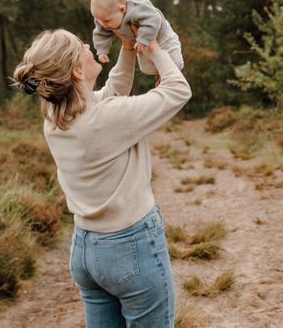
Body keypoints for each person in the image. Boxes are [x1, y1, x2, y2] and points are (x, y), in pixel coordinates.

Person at [11, 27, 191, 327]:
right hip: (130, 247)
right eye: (79, 46)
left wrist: (129, 48)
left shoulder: (55, 119)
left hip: (85, 251)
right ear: (77, 73)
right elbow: (178, 90)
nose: (86, 44)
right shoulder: (107, 118)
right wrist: (155, 48)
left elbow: (110, 93)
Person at [91, 0, 184, 74]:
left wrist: (143, 39)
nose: (103, 24)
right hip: (140, 44)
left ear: (122, 9)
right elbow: (100, 33)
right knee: (146, 69)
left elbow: (154, 19)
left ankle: (168, 75)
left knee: (176, 65)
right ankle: (162, 74)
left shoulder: (137, 9)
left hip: (162, 39)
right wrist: (102, 50)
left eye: (107, 21)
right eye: (99, 20)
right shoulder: (104, 17)